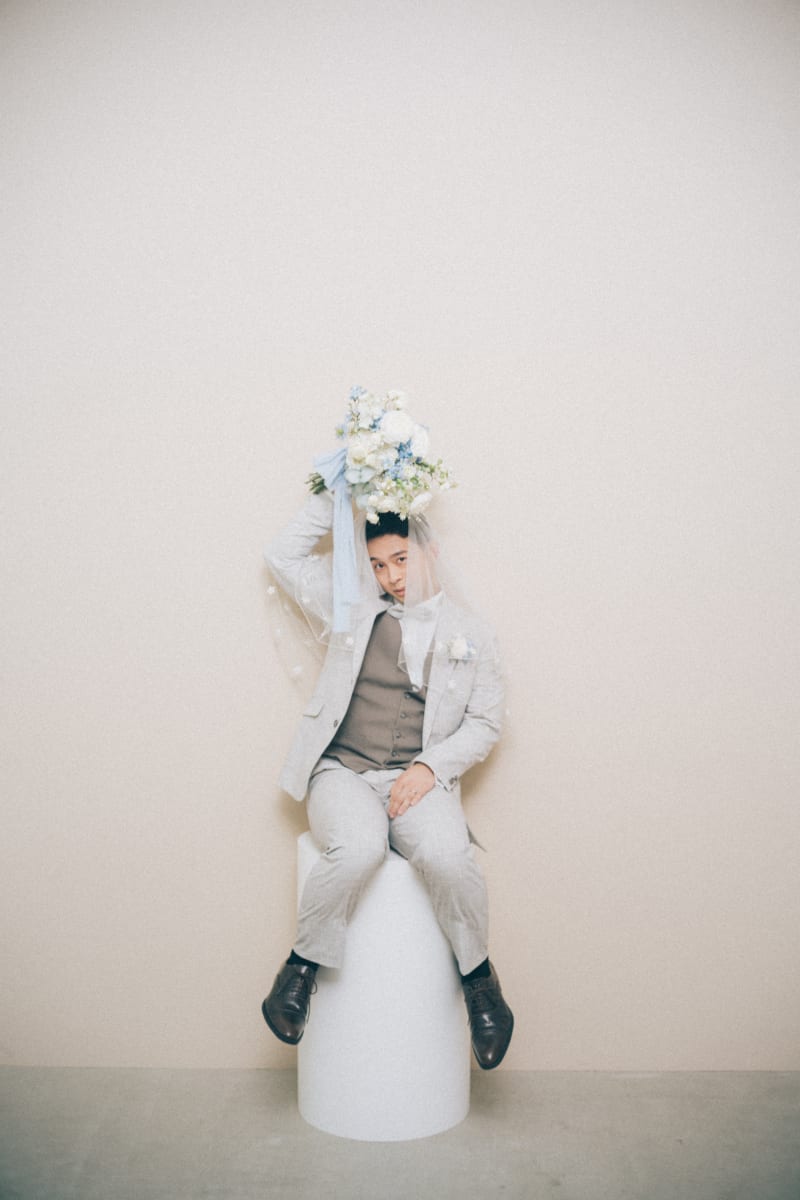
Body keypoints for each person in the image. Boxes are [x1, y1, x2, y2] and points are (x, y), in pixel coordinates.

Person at [261, 471, 513, 1070]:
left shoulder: (473, 635)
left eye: (401, 559)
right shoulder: (350, 607)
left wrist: (430, 766)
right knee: (357, 848)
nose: (392, 577)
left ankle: (481, 985)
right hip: (342, 770)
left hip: (416, 778)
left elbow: (485, 722)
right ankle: (298, 972)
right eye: (378, 565)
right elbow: (282, 556)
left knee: (449, 856)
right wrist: (339, 485)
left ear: (430, 551)